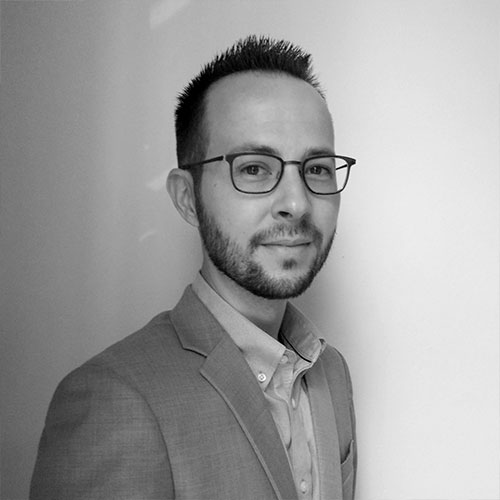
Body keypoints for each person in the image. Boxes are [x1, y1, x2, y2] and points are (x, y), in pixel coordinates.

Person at [30, 35, 357, 500]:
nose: (297, 202)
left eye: (317, 168)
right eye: (254, 168)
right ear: (187, 198)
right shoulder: (113, 399)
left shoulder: (331, 373)